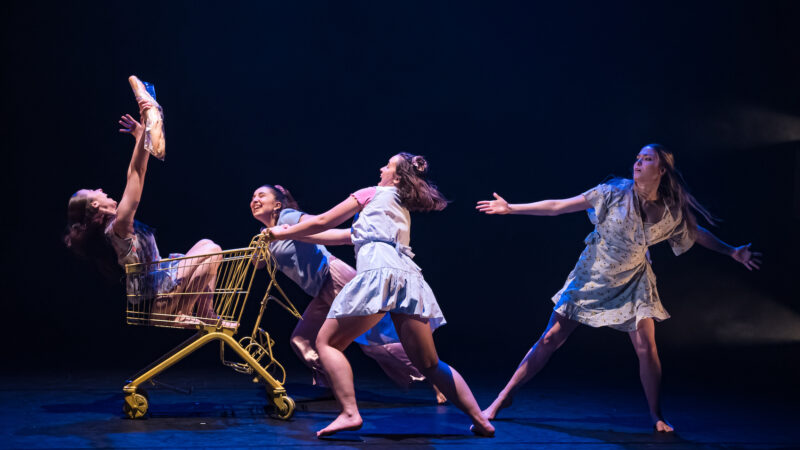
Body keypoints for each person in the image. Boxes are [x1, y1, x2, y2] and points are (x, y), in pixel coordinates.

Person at [476, 143, 762, 432]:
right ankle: (503, 397)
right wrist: (510, 208)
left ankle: (656, 415)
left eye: (647, 159)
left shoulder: (671, 211)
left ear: (661, 170)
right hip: (593, 273)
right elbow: (558, 207)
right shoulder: (612, 192)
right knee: (550, 338)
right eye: (637, 158)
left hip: (634, 280)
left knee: (647, 347)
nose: (638, 163)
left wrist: (732, 252)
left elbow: (695, 232)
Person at [267, 153, 495, 437]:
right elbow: (343, 235)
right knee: (430, 363)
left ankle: (350, 413)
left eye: (387, 165)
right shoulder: (398, 205)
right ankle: (482, 420)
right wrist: (294, 234)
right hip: (408, 277)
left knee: (325, 343)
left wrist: (277, 234)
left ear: (397, 176)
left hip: (379, 273)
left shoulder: (370, 193)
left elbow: (324, 220)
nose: (381, 168)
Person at [250, 184, 445, 402]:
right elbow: (258, 264)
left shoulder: (288, 217)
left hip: (334, 278)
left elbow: (319, 227)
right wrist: (262, 243)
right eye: (253, 197)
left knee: (376, 343)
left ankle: (437, 378)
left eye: (261, 195)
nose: (255, 200)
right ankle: (332, 384)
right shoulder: (267, 234)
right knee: (303, 339)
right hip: (321, 291)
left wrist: (350, 235)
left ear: (277, 205)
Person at [65, 100, 223, 324]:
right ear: (94, 206)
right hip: (160, 301)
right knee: (212, 251)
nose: (100, 189)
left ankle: (204, 313)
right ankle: (181, 314)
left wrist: (141, 138)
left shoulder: (117, 225)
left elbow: (134, 171)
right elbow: (137, 173)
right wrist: (147, 130)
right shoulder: (119, 225)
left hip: (161, 293)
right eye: (93, 191)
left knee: (207, 245)